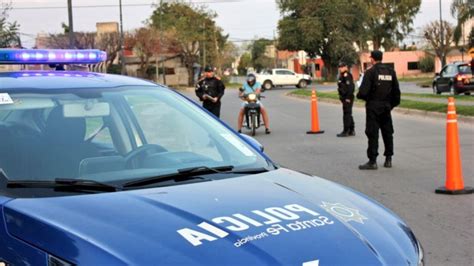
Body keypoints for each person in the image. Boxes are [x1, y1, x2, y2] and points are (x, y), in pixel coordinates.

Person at [356, 50, 400, 170]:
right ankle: (388, 159)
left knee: (372, 133)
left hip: (373, 107)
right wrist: (390, 105)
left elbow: (363, 92)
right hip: (386, 107)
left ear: (372, 59)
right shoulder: (391, 72)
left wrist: (361, 96)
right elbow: (397, 93)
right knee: (387, 133)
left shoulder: (370, 72)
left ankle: (372, 161)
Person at [336, 61, 355, 137]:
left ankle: (346, 131)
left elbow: (350, 88)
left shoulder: (347, 75)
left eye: (342, 67)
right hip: (345, 97)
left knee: (346, 114)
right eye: (339, 67)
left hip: (348, 97)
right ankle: (351, 130)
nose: (340, 68)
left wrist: (347, 98)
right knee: (348, 114)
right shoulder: (342, 75)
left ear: (345, 67)